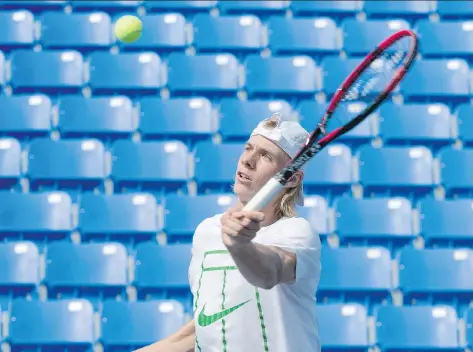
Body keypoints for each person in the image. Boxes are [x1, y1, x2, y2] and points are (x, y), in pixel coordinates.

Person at [136, 113, 322, 352]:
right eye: (248, 148)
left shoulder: (297, 232)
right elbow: (206, 327)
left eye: (265, 155)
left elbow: (270, 271)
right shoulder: (207, 232)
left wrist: (240, 246)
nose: (248, 160)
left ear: (292, 179)